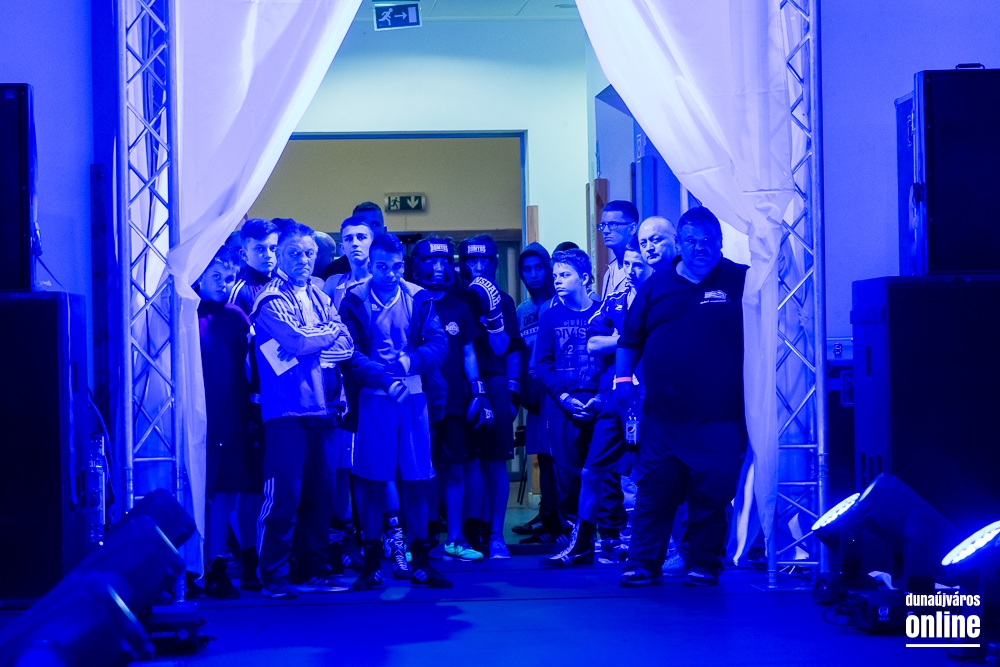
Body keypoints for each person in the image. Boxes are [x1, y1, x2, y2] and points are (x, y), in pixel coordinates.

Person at [615, 206, 748, 588]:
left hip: (720, 420)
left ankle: (704, 563)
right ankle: (643, 563)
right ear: (680, 244)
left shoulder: (742, 281)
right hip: (662, 421)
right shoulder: (654, 286)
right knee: (653, 493)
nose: (699, 247)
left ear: (720, 243)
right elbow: (630, 339)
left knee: (711, 498)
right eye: (691, 241)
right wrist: (622, 379)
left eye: (707, 241)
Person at [338, 232, 452, 590]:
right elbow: (349, 352)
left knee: (416, 480)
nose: (389, 274)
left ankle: (421, 562)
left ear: (403, 265)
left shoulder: (418, 297)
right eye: (382, 267)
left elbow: (439, 344)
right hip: (373, 398)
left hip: (413, 396)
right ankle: (372, 564)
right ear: (370, 266)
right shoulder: (354, 299)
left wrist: (408, 362)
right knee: (372, 483)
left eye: (396, 266)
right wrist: (384, 378)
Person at [252, 222, 356, 599]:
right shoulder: (269, 298)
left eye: (309, 253)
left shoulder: (319, 294)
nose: (304, 259)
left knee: (321, 495)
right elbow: (296, 341)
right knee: (284, 495)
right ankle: (273, 576)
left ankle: (314, 570)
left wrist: (316, 342)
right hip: (287, 410)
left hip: (325, 408)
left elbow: (347, 344)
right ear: (279, 255)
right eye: (294, 253)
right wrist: (325, 335)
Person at [541, 238, 653, 567]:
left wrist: (620, 341)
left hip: (645, 398)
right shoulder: (613, 303)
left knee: (645, 472)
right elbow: (593, 344)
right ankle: (582, 543)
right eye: (626, 265)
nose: (630, 271)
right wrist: (632, 338)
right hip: (608, 399)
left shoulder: (660, 299)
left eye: (638, 265)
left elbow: (655, 340)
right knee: (589, 471)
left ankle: (638, 544)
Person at [411, 238, 491, 561]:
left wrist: (478, 390)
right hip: (419, 399)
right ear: (418, 265)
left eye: (443, 261)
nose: (438, 267)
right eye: (431, 261)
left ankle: (455, 538)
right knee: (422, 470)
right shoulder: (412, 302)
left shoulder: (459, 306)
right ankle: (424, 536)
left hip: (455, 400)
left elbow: (469, 352)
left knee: (455, 468)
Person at [456, 235, 525, 559]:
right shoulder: (454, 299)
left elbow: (505, 349)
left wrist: (512, 392)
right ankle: (468, 531)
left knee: (496, 460)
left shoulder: (505, 301)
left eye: (484, 260)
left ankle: (496, 535)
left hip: (495, 381)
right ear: (462, 264)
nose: (479, 266)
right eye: (472, 260)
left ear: (494, 262)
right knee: (465, 461)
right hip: (461, 384)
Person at [533, 249, 602, 548]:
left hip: (598, 403)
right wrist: (563, 397)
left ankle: (607, 536)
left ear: (584, 278)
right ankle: (576, 534)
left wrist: (600, 397)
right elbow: (542, 364)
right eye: (556, 275)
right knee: (566, 473)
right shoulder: (549, 317)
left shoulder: (602, 312)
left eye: (565, 275)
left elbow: (613, 361)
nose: (558, 281)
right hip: (561, 406)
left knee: (600, 470)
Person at [227, 217, 280, 591]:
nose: (268, 255)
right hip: (254, 403)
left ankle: (273, 556)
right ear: (244, 250)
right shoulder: (240, 291)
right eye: (260, 249)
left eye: (273, 248)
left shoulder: (284, 286)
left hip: (285, 400)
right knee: (252, 486)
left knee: (278, 484)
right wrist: (246, 405)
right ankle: (248, 559)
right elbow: (237, 357)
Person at [195, 245, 249, 598]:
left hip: (233, 421)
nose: (223, 283)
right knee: (199, 495)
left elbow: (248, 370)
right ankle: (193, 568)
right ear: (200, 274)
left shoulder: (237, 316)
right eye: (216, 275)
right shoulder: (185, 313)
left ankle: (217, 565)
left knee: (225, 496)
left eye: (229, 277)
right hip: (200, 423)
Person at [512, 243, 562, 541]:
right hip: (533, 393)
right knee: (542, 457)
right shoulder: (522, 310)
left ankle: (562, 520)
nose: (533, 274)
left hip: (559, 390)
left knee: (561, 457)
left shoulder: (561, 302)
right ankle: (547, 514)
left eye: (539, 267)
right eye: (527, 269)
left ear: (548, 269)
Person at [320, 202, 387, 280]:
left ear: (385, 230)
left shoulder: (397, 264)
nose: (368, 228)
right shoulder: (334, 270)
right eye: (360, 222)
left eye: (374, 224)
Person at [598, 200, 640, 298]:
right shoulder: (609, 272)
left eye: (612, 224)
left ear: (632, 228)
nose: (605, 231)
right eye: (603, 225)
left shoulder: (643, 268)